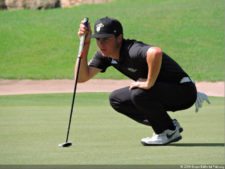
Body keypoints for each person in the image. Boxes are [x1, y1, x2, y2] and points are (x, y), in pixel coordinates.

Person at [76, 17, 208, 145]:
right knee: (116, 99)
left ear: (119, 38)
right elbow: (81, 77)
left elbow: (155, 52)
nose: (101, 44)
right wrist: (85, 44)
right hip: (162, 92)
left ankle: (166, 132)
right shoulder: (105, 55)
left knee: (139, 93)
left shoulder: (132, 50)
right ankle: (168, 125)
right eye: (98, 39)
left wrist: (149, 82)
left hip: (183, 91)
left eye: (106, 39)